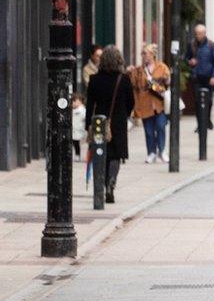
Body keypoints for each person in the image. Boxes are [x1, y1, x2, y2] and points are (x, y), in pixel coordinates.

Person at [85, 45, 135, 204]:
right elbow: (131, 102)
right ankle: (111, 183)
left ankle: (102, 183)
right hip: (118, 122)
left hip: (99, 121)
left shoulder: (94, 79)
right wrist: (124, 115)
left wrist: (88, 124)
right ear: (119, 60)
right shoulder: (124, 79)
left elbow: (89, 104)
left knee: (101, 153)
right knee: (116, 155)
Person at [129, 43, 171, 164]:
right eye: (142, 53)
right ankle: (151, 152)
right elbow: (133, 84)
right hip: (145, 102)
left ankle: (162, 151)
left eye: (145, 53)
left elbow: (167, 81)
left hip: (159, 102)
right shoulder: (139, 70)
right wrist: (130, 72)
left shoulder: (162, 67)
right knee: (148, 130)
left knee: (161, 126)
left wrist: (164, 80)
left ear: (152, 55)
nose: (143, 56)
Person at [184, 24, 214, 130]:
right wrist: (190, 62)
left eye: (200, 33)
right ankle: (200, 124)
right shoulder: (191, 45)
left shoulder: (211, 45)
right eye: (196, 33)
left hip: (208, 77)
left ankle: (207, 120)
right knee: (197, 101)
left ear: (204, 33)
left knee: (208, 101)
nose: (198, 35)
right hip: (196, 77)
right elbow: (186, 58)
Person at [71, 94, 86, 162]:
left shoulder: (82, 110)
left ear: (80, 101)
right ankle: (77, 155)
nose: (73, 103)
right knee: (75, 143)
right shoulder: (72, 110)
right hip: (74, 129)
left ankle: (78, 155)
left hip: (80, 129)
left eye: (75, 101)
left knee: (77, 143)